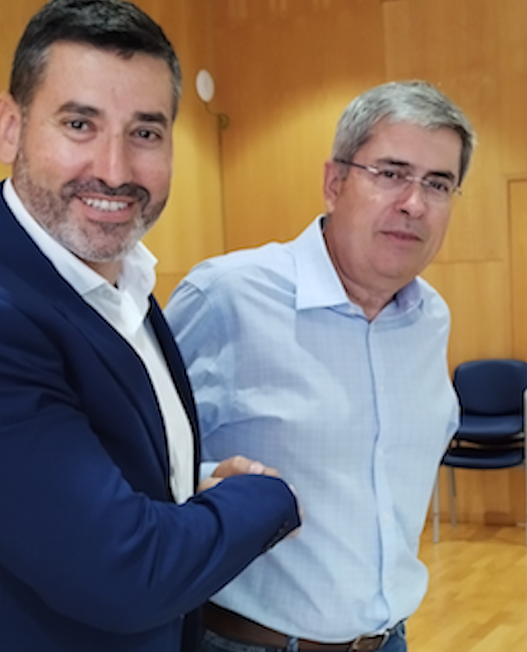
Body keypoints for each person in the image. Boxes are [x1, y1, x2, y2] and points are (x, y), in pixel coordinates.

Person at [0, 1, 300, 650]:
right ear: (10, 128)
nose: (115, 170)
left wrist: (186, 493)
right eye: (80, 123)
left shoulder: (120, 284)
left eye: (145, 132)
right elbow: (126, 572)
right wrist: (264, 498)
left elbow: (83, 491)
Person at [165, 80, 475, 652]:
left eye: (438, 183)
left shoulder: (430, 317)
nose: (414, 202)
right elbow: (138, 465)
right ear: (335, 182)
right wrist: (206, 481)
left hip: (388, 640)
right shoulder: (226, 297)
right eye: (391, 172)